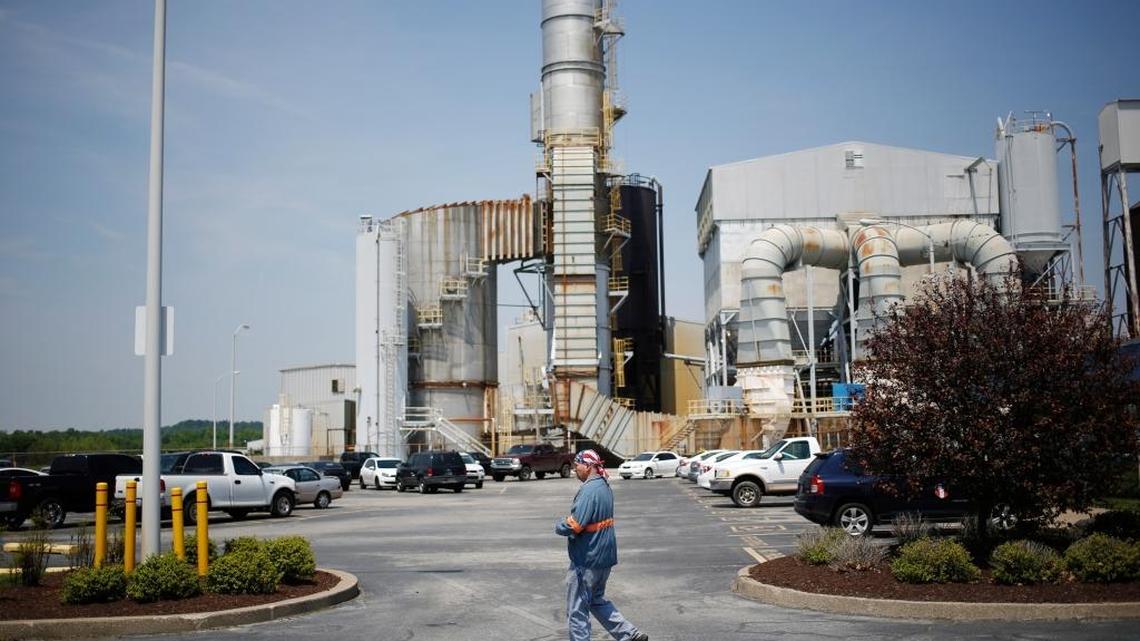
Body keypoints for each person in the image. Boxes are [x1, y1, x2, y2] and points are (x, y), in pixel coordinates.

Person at [554, 450, 649, 641]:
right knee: (596, 601)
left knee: (577, 609)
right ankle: (629, 635)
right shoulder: (604, 485)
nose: (575, 470)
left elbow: (576, 524)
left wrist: (559, 526)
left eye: (577, 466)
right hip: (604, 557)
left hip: (587, 558)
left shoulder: (589, 490)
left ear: (588, 466)